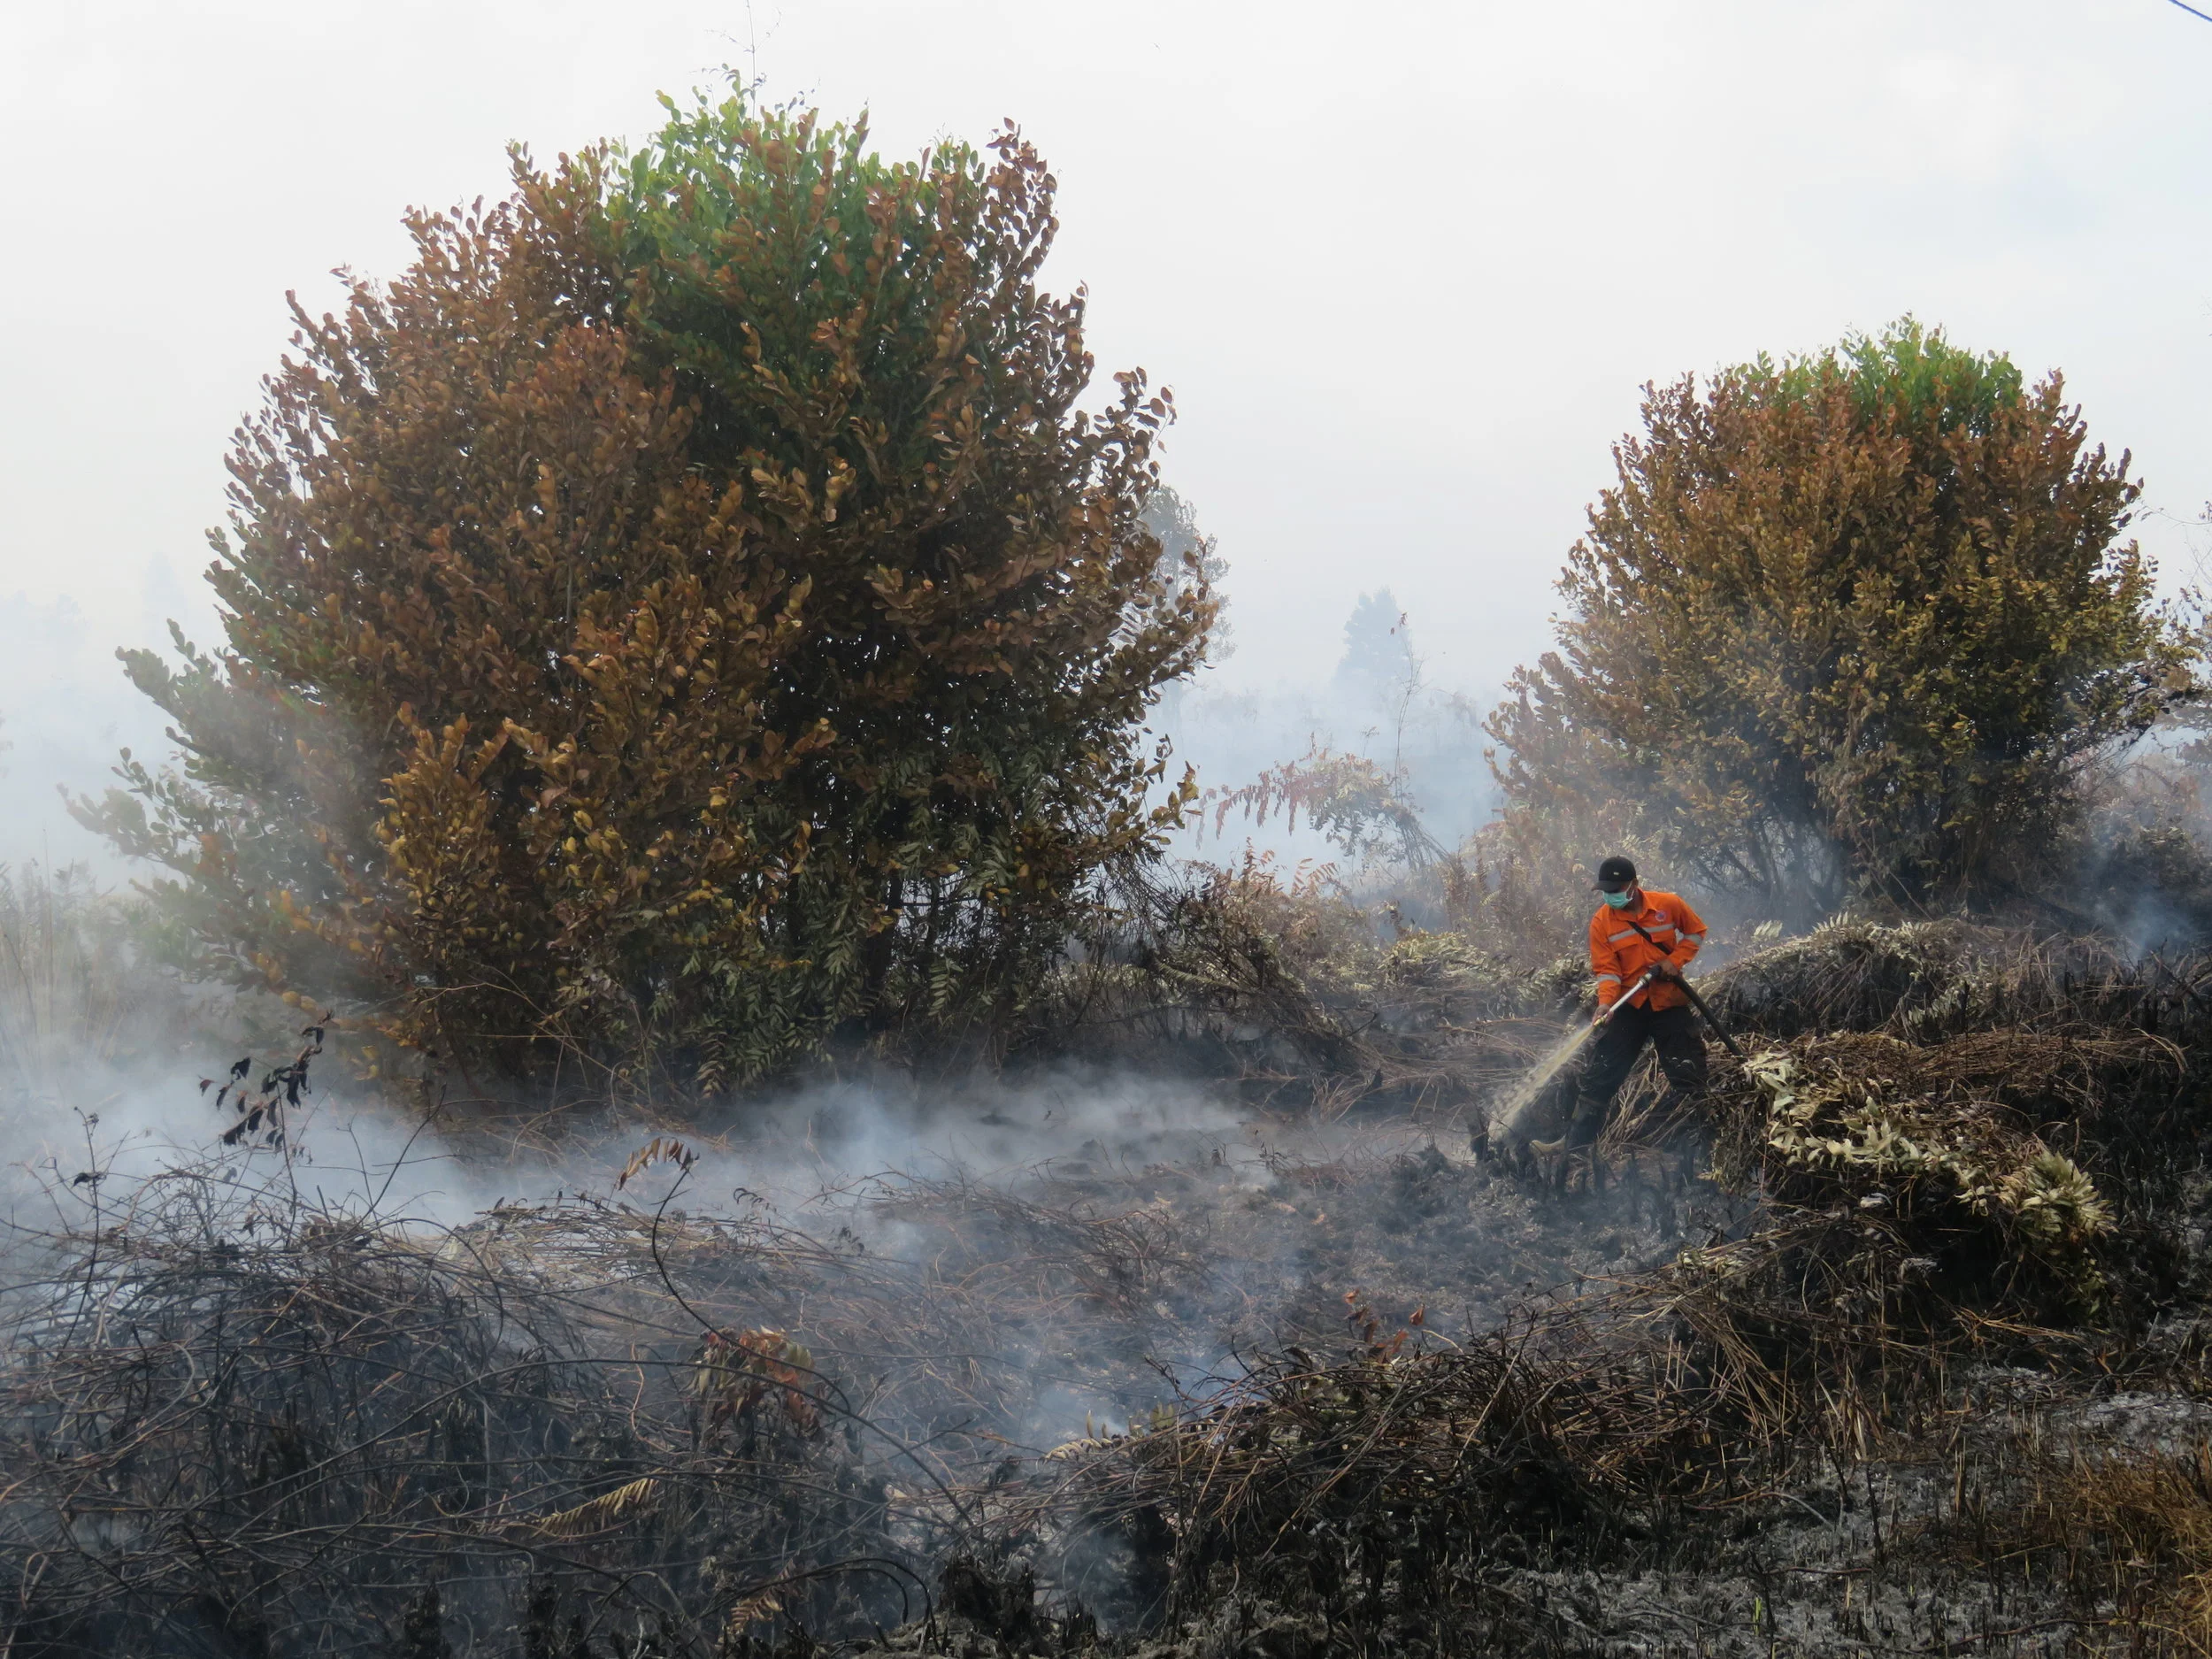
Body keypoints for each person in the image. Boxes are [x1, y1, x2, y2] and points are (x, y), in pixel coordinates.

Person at [1540, 856, 1709, 1154]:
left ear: (1634, 885)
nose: (1611, 895)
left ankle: (1708, 1145)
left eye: (1617, 888)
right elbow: (1607, 971)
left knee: (1688, 1073)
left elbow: (1696, 932)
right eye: (1607, 890)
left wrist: (1674, 961)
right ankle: (1574, 1147)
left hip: (1669, 1003)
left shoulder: (1668, 905)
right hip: (1629, 1006)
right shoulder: (1602, 922)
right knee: (1600, 1075)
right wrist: (1606, 1004)